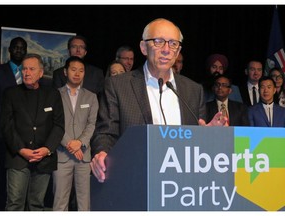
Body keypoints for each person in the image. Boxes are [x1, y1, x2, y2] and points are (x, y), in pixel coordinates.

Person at [90, 18, 227, 183]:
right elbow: (106, 133)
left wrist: (208, 134)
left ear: (178, 52)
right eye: (159, 42)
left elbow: (197, 145)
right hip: (135, 178)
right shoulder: (118, 86)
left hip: (183, 184)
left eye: (173, 44)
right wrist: (102, 153)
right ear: (143, 47)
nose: (166, 50)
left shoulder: (193, 90)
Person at [0, 53, 65, 211]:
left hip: (43, 159)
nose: (26, 73)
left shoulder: (52, 94)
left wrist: (46, 149)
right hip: (18, 157)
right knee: (15, 203)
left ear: (41, 73)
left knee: (36, 204)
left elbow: (59, 126)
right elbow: (6, 126)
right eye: (24, 69)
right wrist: (22, 150)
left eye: (31, 69)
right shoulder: (11, 94)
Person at [52, 56, 98, 211]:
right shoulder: (55, 95)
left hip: (83, 156)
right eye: (73, 69)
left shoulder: (91, 97)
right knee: (60, 202)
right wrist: (69, 144)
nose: (77, 73)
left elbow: (91, 124)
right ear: (65, 71)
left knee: (84, 203)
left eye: (81, 70)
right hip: (62, 154)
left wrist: (80, 143)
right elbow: (54, 123)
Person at [0, 36, 27, 210]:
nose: (18, 51)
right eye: (15, 47)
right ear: (9, 50)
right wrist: (10, 115)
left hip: (25, 135)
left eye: (22, 48)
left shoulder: (29, 72)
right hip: (2, 133)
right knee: (3, 175)